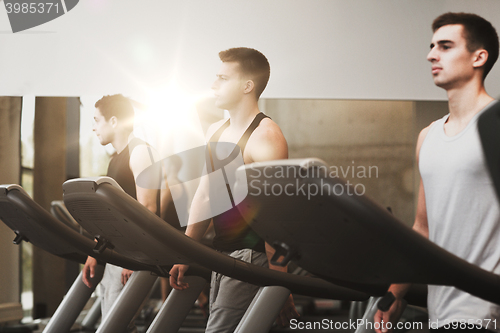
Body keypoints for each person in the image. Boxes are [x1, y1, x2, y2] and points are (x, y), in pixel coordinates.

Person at [374, 12, 500, 333]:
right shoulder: (427, 136)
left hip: (486, 309)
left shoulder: (496, 125)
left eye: (445, 46)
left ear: (479, 57)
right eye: (432, 46)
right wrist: (396, 293)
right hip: (440, 310)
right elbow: (423, 226)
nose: (431, 54)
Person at [169, 47, 299, 332]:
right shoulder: (216, 130)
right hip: (223, 253)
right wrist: (186, 252)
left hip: (252, 257)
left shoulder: (265, 137)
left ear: (247, 85)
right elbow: (205, 195)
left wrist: (282, 283)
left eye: (222, 78)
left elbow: (276, 215)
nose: (213, 85)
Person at [81, 94, 160, 332]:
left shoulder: (140, 152)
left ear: (114, 121)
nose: (94, 128)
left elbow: (148, 209)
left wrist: (136, 258)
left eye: (97, 120)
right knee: (113, 325)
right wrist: (94, 252)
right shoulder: (115, 159)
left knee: (116, 325)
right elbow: (111, 214)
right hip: (117, 254)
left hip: (132, 256)